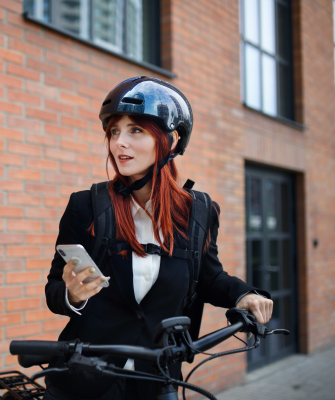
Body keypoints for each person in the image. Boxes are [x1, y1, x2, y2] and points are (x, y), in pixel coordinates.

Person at [44, 77, 273, 400]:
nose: (119, 142)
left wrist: (243, 296)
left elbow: (209, 277)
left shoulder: (201, 212)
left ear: (172, 139)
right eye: (114, 131)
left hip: (158, 378)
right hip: (87, 378)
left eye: (135, 130)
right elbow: (54, 290)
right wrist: (73, 294)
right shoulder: (86, 206)